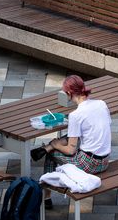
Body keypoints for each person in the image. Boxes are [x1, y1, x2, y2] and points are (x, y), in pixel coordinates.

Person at [30, 75, 111, 209]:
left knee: (52, 155)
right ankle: (47, 148)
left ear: (68, 93)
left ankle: (47, 198)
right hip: (105, 161)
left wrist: (55, 144)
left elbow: (70, 150)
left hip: (90, 164)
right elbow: (96, 128)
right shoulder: (101, 104)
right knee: (73, 136)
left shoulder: (76, 115)